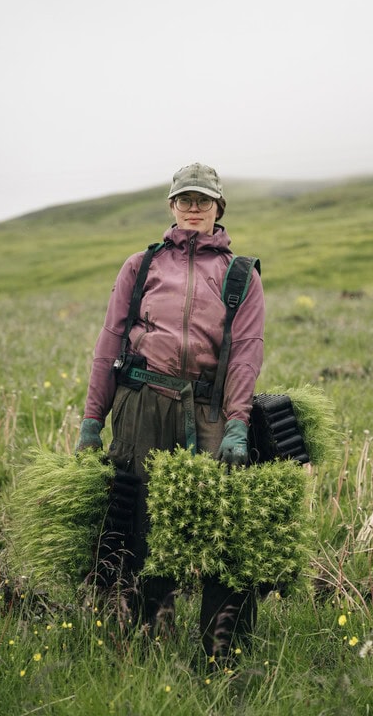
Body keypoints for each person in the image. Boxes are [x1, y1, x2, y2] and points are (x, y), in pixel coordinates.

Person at [77, 162, 265, 661]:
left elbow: (246, 352)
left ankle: (221, 650)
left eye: (203, 200)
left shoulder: (239, 275)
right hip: (140, 404)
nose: (194, 208)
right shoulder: (140, 266)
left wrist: (238, 424)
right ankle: (139, 639)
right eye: (185, 200)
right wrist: (93, 419)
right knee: (137, 522)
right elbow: (109, 341)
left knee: (221, 529)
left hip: (205, 410)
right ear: (172, 206)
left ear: (219, 207)